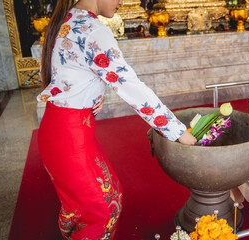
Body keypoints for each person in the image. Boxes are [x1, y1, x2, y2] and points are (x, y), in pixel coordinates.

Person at [36, 0, 197, 238]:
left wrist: (89, 96)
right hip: (69, 136)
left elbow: (68, 73)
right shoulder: (93, 30)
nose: (123, 1)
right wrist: (178, 132)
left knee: (92, 206)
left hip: (62, 128)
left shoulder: (68, 19)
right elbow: (130, 86)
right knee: (102, 211)